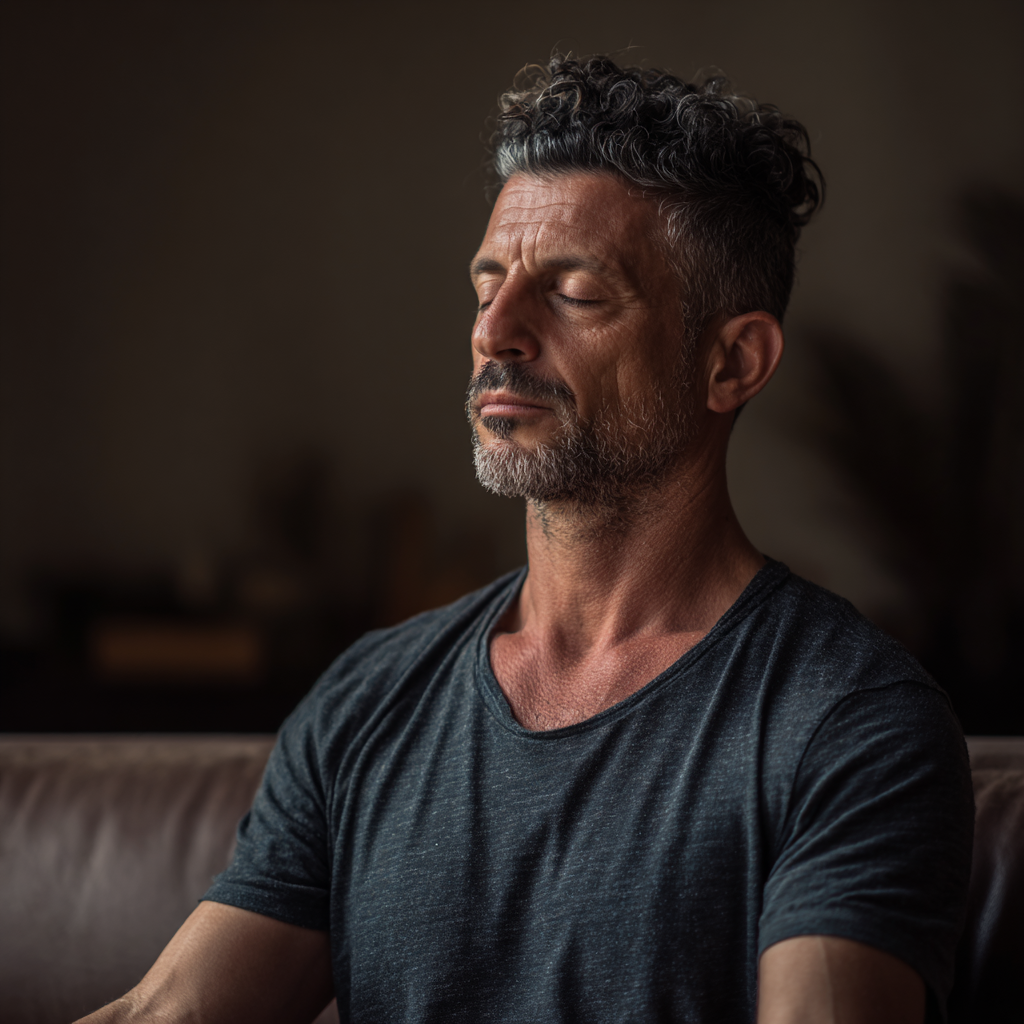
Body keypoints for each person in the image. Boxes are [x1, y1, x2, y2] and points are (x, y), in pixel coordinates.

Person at [79, 55, 974, 1024]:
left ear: (731, 360)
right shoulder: (370, 696)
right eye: (486, 284)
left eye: (575, 293)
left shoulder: (847, 721)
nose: (496, 332)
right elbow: (164, 1014)